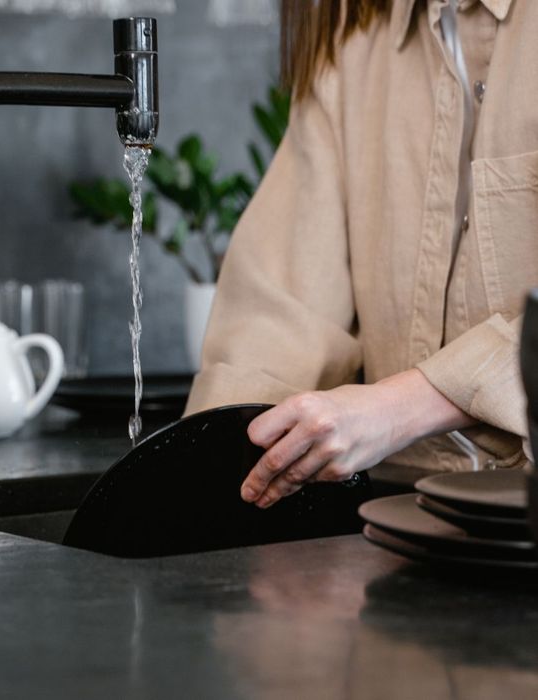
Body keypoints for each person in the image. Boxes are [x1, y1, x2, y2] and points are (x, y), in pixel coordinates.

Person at [184, 0, 535, 509]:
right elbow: (281, 308)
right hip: (396, 526)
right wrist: (218, 479)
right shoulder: (352, 30)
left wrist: (401, 407)